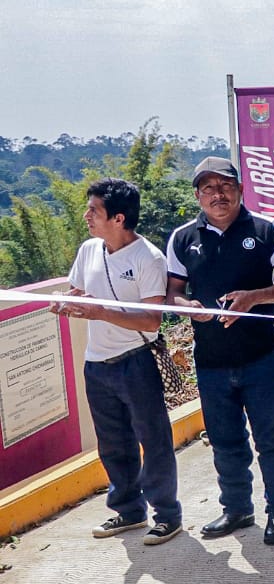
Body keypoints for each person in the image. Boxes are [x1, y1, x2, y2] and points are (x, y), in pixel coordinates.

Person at [166, 156, 274, 545]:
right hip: (211, 362)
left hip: (261, 358)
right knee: (225, 442)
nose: (218, 194)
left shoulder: (265, 230)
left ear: (240, 189)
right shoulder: (182, 239)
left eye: (225, 185)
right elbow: (172, 292)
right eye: (208, 188)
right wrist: (187, 307)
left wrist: (254, 298)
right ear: (197, 195)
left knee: (271, 440)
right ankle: (237, 509)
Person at [50, 178, 183, 545]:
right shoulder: (89, 250)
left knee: (153, 440)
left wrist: (100, 311)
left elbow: (151, 321)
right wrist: (67, 303)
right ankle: (128, 510)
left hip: (136, 361)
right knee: (112, 443)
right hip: (97, 363)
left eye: (94, 210)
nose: (86, 216)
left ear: (119, 218)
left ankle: (167, 515)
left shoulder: (148, 258)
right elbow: (80, 293)